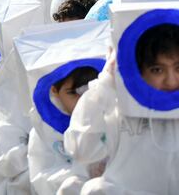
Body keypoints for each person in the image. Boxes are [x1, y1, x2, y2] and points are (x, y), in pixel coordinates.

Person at [63, 23, 179, 193]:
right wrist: (105, 84)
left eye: (178, 68)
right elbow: (82, 150)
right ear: (139, 71)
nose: (171, 81)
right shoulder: (118, 111)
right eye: (157, 70)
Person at [28, 66, 99, 195]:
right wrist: (84, 176)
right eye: (73, 93)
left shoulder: (114, 120)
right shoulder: (44, 131)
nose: (83, 100)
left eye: (89, 90)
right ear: (54, 90)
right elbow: (42, 178)